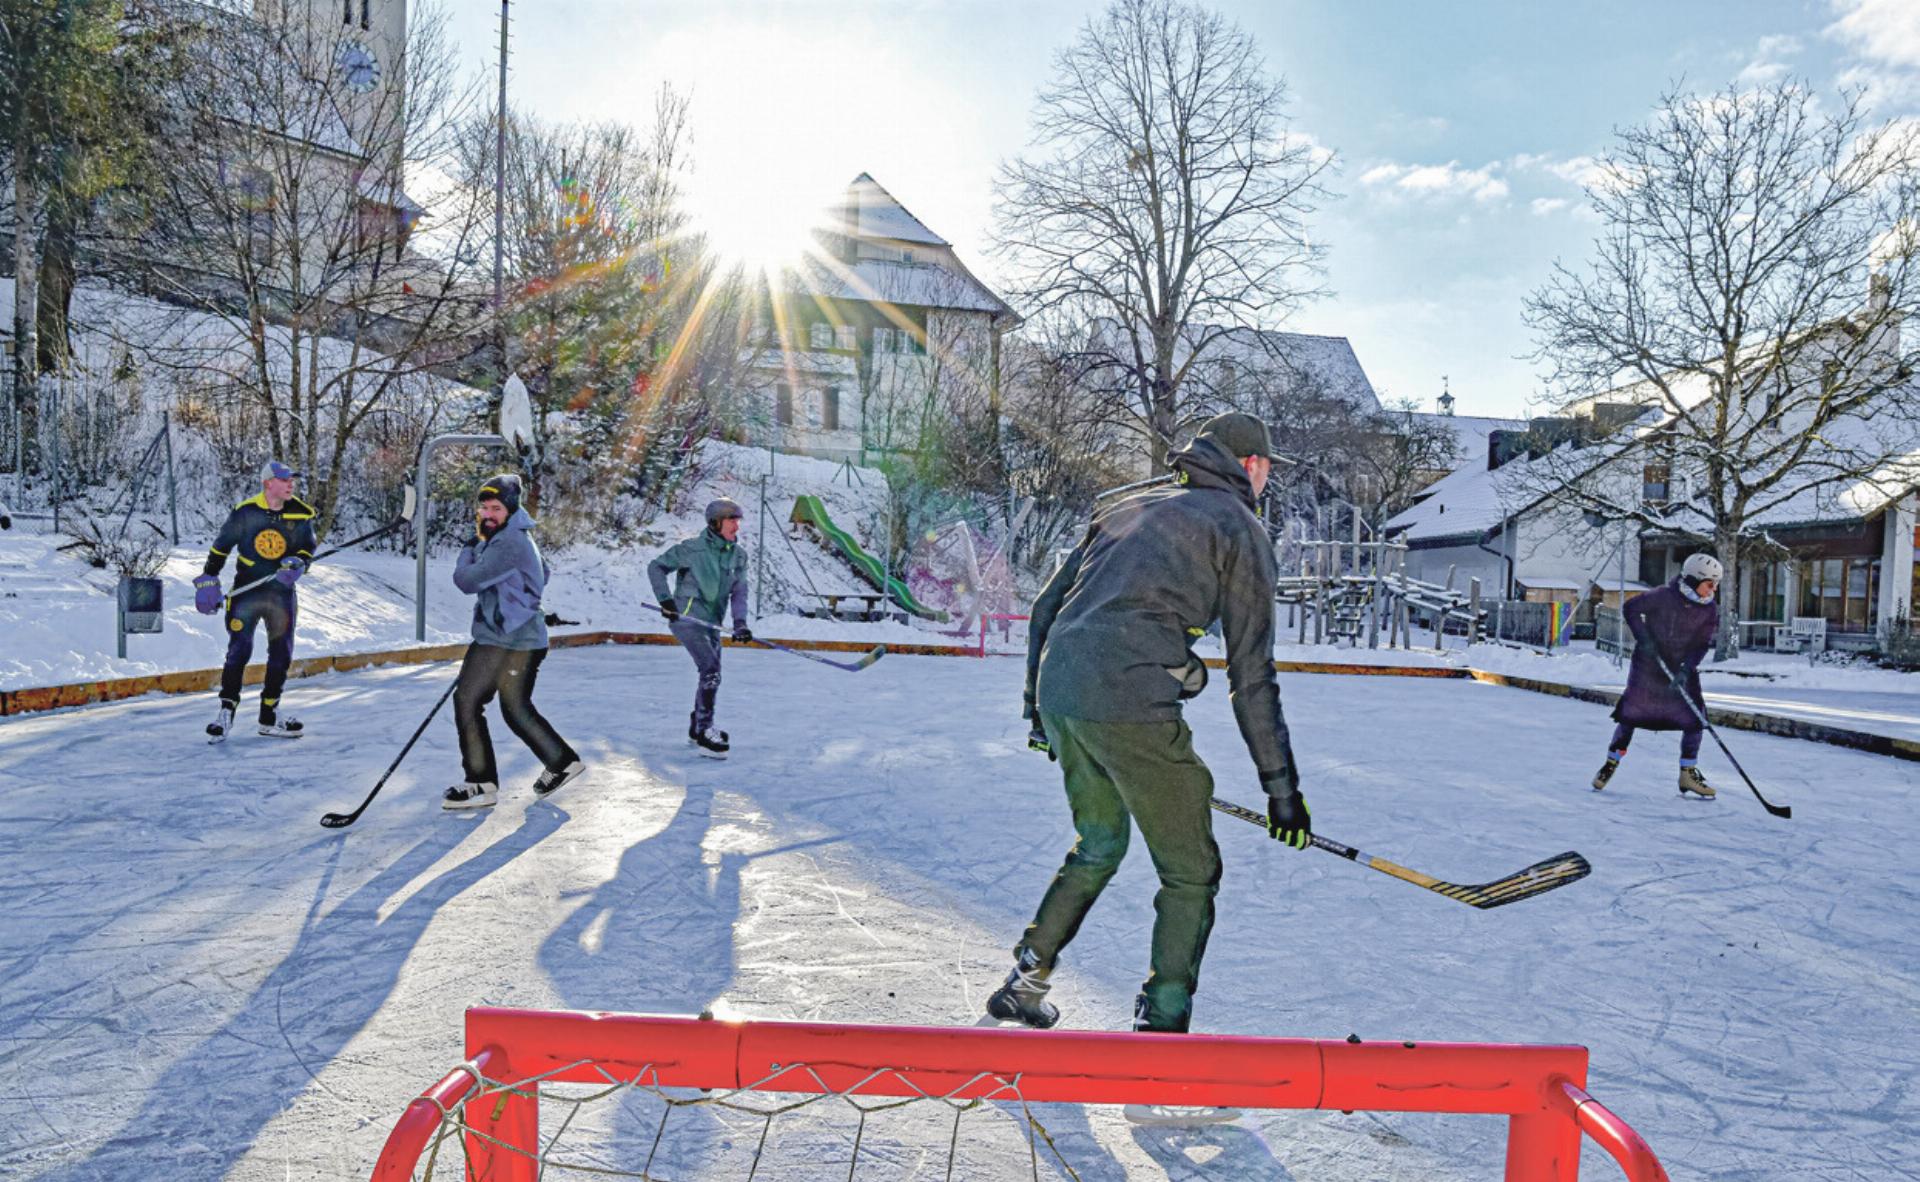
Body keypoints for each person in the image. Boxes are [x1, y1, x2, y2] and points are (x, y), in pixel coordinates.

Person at [987, 412, 1311, 1036]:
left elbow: (1047, 608)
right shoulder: (1239, 528)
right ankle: (1162, 1029)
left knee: (1101, 842)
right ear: (1251, 466)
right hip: (1127, 701)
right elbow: (1253, 675)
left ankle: (1025, 982)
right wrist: (1282, 790)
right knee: (1190, 871)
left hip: (1064, 693)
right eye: (1269, 468)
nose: (1268, 481)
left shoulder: (1130, 506)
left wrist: (1037, 710)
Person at [443, 474, 585, 809]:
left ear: (510, 509)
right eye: (484, 508)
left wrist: (468, 548)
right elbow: (543, 573)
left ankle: (480, 783)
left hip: (504, 640)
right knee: (514, 708)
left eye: (496, 508)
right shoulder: (515, 536)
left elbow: (466, 580)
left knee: (468, 701)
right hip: (522, 637)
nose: (488, 514)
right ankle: (561, 761)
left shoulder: (508, 542)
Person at [193, 460, 315, 742]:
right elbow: (220, 547)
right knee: (239, 650)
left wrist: (299, 564)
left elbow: (307, 549)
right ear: (268, 483)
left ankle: (269, 717)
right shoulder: (246, 512)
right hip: (246, 591)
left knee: (281, 653)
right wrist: (209, 579)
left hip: (281, 593)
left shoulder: (299, 514)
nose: (290, 485)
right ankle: (225, 713)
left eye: (291, 480)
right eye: (284, 480)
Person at [1592, 552, 1722, 799]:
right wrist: (1645, 640)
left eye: (1716, 584)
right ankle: (1611, 763)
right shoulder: (1664, 596)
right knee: (1631, 715)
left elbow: (1702, 643)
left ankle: (1688, 772)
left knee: (1695, 718)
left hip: (1681, 667)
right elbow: (1631, 608)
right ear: (1695, 580)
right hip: (1649, 665)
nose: (1713, 589)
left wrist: (1686, 669)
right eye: (1709, 583)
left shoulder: (1709, 609)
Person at [648, 498, 752, 758]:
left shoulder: (738, 556)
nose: (736, 526)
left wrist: (740, 623)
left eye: (738, 521)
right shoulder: (692, 550)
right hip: (687, 618)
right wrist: (666, 601)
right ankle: (706, 730)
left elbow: (739, 592)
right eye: (732, 520)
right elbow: (656, 567)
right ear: (715, 523)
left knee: (713, 673)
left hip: (712, 623)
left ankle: (697, 724)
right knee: (710, 669)